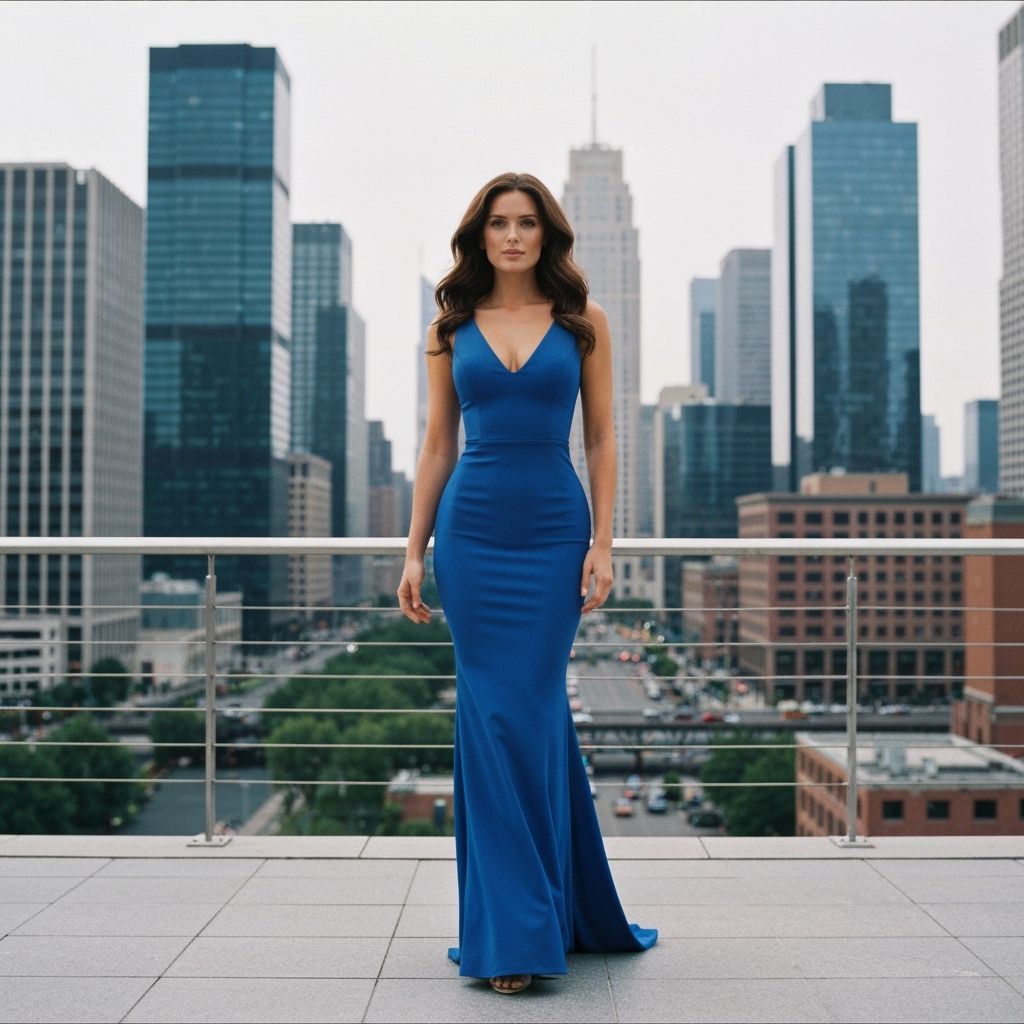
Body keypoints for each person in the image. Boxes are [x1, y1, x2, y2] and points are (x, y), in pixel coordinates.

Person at [397, 171, 657, 995]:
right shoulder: (449, 328)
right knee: (492, 720)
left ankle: (542, 913)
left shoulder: (586, 324)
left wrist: (605, 544)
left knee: (532, 715)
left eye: (528, 223)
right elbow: (438, 445)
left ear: (548, 235)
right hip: (470, 537)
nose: (513, 236)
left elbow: (605, 438)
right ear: (480, 235)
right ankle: (514, 930)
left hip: (553, 531)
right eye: (499, 223)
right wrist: (412, 551)